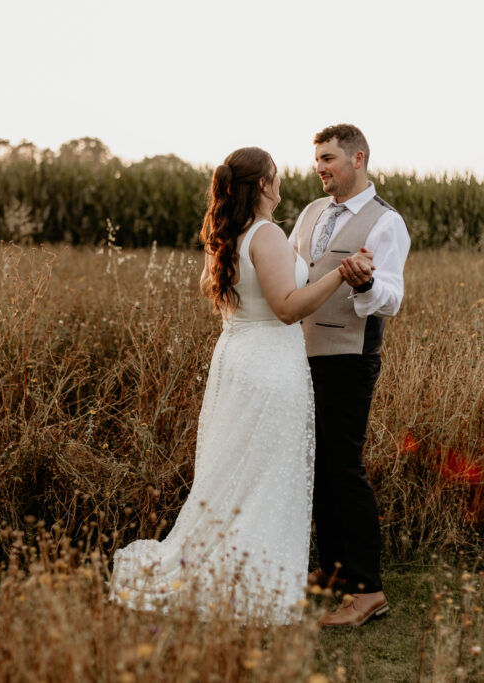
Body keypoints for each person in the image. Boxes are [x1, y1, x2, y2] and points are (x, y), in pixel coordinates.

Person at [109, 146, 372, 624]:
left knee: (238, 469)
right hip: (270, 364)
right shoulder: (265, 234)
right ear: (264, 184)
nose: (283, 182)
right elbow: (289, 308)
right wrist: (339, 273)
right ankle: (250, 576)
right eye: (276, 176)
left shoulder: (226, 234)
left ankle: (236, 562)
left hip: (237, 358)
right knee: (266, 471)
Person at [287, 124, 411, 627]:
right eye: (317, 159)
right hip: (298, 354)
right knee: (317, 463)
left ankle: (367, 591)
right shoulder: (311, 213)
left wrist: (363, 286)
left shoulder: (387, 223)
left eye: (329, 159)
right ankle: (335, 570)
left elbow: (392, 298)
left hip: (348, 356)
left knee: (344, 466)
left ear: (357, 159)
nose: (320, 167)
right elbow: (296, 273)